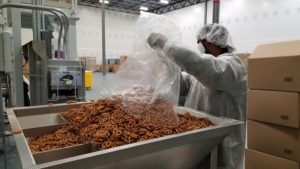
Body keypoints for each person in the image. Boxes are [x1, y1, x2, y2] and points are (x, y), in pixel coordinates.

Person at [147, 23, 247, 169]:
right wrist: (168, 63)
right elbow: (184, 83)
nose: (199, 46)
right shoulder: (208, 66)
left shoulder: (232, 65)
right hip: (199, 137)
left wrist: (167, 45)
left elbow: (204, 68)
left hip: (222, 143)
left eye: (200, 42)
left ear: (212, 41)